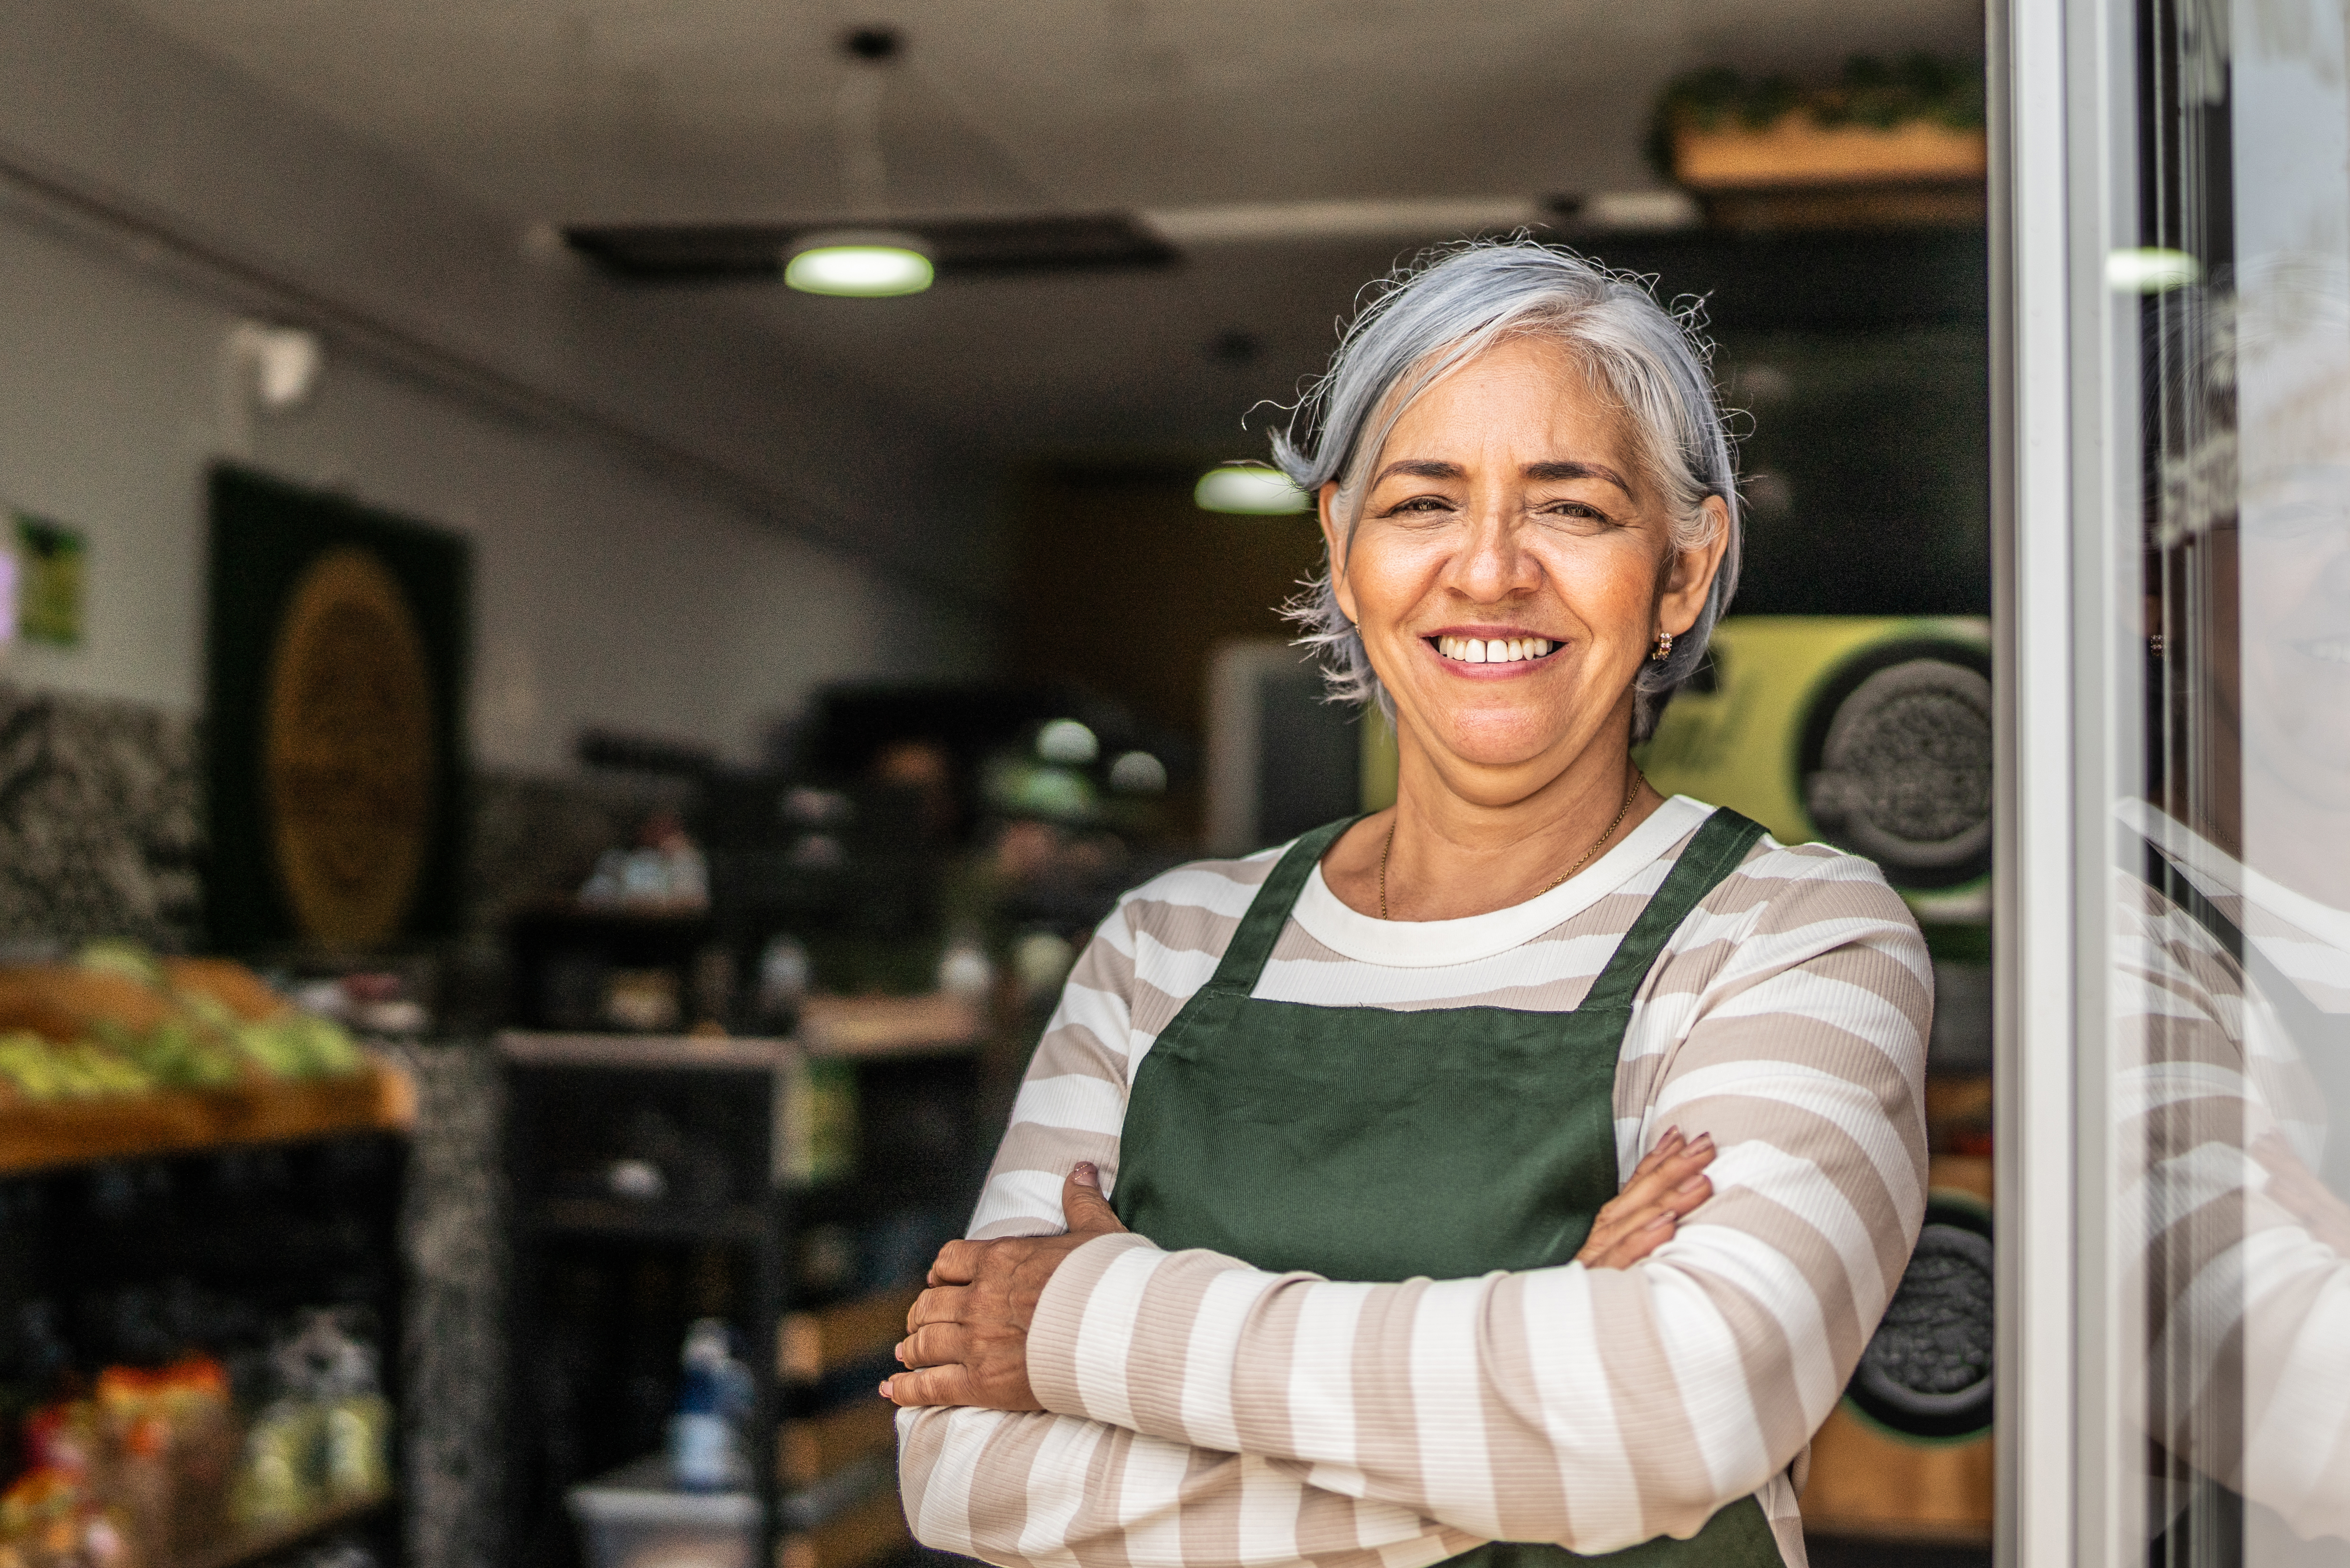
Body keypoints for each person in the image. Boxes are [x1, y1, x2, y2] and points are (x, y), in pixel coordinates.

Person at [885, 240, 1932, 1568]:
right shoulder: (1166, 944)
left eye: (1573, 508)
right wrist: (1546, 1434)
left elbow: (1684, 1401)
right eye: (1424, 503)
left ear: (1679, 568)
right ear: (1341, 543)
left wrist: (1096, 1318)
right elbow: (962, 1467)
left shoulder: (1794, 939)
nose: (1488, 571)